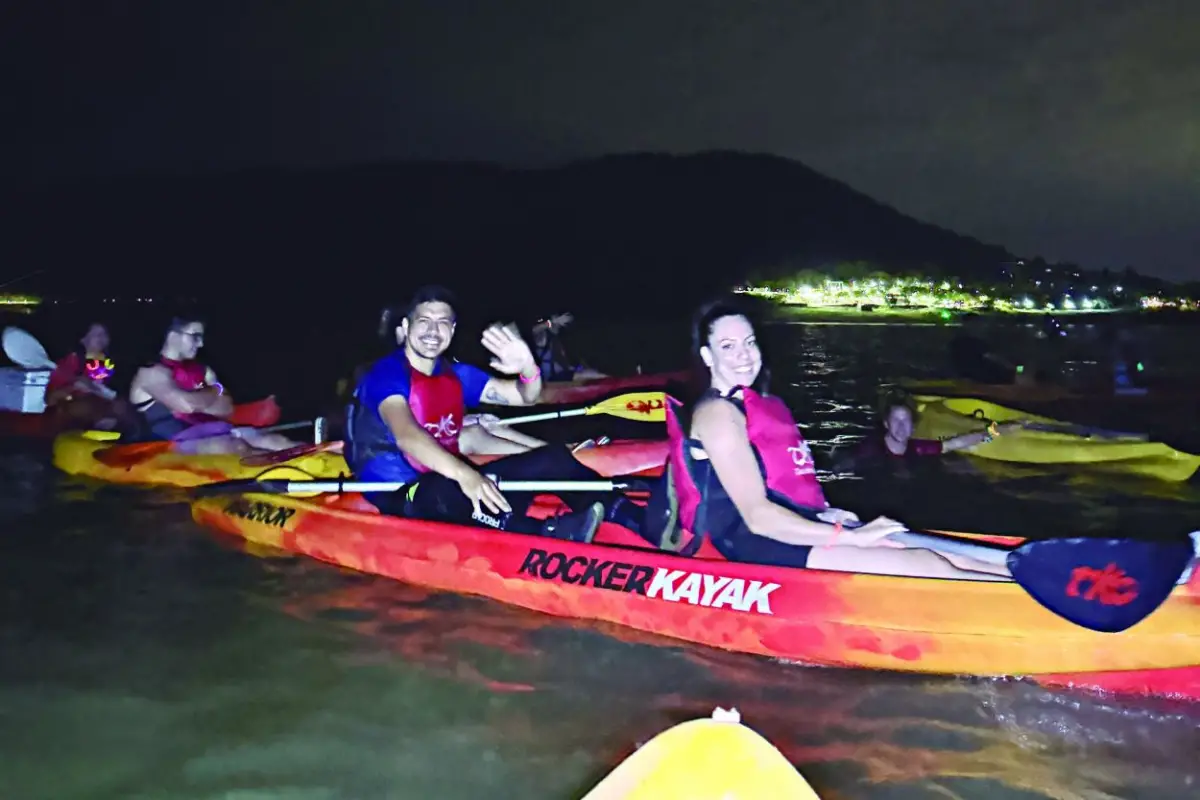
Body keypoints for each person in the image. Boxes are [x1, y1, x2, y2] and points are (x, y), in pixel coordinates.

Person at [663, 298, 1010, 579]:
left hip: (785, 524)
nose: (745, 355)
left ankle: (1019, 579)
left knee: (932, 552)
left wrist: (824, 515)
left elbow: (777, 488)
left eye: (750, 342)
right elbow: (758, 516)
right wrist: (850, 537)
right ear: (708, 357)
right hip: (748, 540)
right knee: (927, 566)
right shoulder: (718, 415)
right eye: (728, 346)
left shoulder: (752, 405)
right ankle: (1026, 608)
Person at [346, 286, 657, 542]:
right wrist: (467, 475)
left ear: (452, 331)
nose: (432, 330)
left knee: (552, 458)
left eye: (442, 322)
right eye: (423, 321)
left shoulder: (458, 375)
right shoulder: (386, 373)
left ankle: (636, 518)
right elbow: (407, 436)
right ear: (406, 327)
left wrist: (527, 368)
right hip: (402, 495)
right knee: (440, 490)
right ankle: (547, 532)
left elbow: (525, 396)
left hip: (453, 485)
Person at [129, 316, 298, 454]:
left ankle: (318, 461)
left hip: (217, 431)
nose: (201, 344)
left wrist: (204, 398)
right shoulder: (151, 373)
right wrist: (213, 393)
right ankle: (279, 475)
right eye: (195, 336)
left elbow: (226, 408)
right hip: (170, 444)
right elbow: (186, 405)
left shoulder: (203, 370)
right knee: (233, 446)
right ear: (173, 336)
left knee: (275, 441)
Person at [847, 401, 1022, 463]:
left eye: (906, 420)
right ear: (886, 423)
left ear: (914, 426)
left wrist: (1000, 429)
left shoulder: (917, 449)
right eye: (896, 420)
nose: (901, 426)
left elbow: (959, 442)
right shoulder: (869, 451)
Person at [43, 323, 132, 430]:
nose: (101, 337)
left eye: (104, 334)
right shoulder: (72, 360)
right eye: (96, 334)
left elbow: (106, 393)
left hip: (99, 416)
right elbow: (50, 399)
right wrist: (74, 387)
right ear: (83, 339)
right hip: (70, 419)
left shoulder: (105, 363)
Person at [948, 314, 1026, 385]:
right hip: (977, 377)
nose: (980, 326)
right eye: (977, 324)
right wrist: (1010, 366)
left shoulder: (960, 340)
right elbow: (991, 357)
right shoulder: (969, 342)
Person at [530, 312, 605, 382]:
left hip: (563, 373)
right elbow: (535, 329)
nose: (560, 325)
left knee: (592, 371)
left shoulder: (557, 339)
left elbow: (561, 361)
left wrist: (575, 368)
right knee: (593, 376)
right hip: (551, 377)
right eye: (559, 322)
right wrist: (553, 321)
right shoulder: (542, 338)